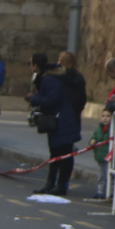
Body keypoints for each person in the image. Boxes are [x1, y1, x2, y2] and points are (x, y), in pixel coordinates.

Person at [26, 52, 83, 195]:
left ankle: (60, 184)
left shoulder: (50, 79)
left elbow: (52, 100)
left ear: (36, 65)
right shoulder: (59, 77)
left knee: (62, 154)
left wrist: (35, 99)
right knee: (57, 153)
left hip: (61, 119)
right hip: (65, 118)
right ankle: (53, 183)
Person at [90, 107, 114, 199]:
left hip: (109, 157)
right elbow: (94, 137)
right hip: (100, 157)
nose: (105, 118)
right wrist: (92, 140)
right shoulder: (99, 129)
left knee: (111, 176)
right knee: (101, 176)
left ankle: (111, 192)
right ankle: (100, 191)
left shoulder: (113, 130)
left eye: (108, 116)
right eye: (103, 116)